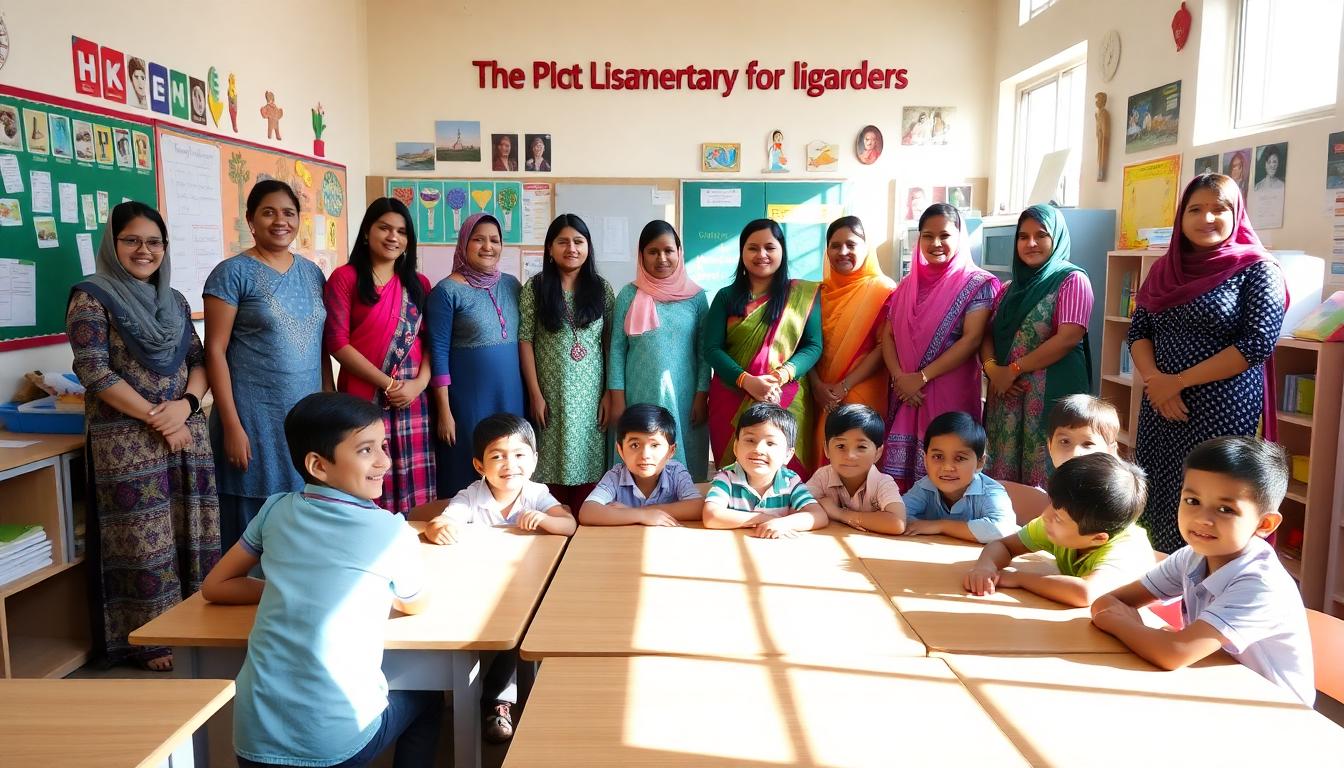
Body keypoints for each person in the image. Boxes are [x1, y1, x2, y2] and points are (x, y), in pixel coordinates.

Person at [201, 393, 440, 767]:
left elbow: (215, 585)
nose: (384, 461)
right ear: (318, 465)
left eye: (383, 445)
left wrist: (287, 589)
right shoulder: (390, 530)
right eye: (366, 450)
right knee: (429, 698)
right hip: (334, 746)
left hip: (252, 737)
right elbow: (415, 602)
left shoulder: (275, 509)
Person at [66, 201, 220, 672]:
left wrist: (186, 407)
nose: (143, 250)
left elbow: (198, 361)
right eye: (131, 240)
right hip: (127, 441)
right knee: (143, 538)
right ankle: (149, 638)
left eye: (154, 242)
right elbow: (92, 369)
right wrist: (160, 418)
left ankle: (200, 624)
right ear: (113, 246)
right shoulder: (91, 297)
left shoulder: (173, 301)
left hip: (185, 428)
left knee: (193, 529)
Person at [1126, 173, 1286, 553]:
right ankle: (1157, 592)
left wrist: (1176, 381)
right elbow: (1138, 333)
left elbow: (1257, 343)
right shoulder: (1164, 270)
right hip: (1161, 405)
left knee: (1212, 500)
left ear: (1237, 215)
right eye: (1196, 209)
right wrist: (1155, 380)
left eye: (1220, 209)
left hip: (1222, 410)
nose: (1207, 218)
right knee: (1159, 494)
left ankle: (1208, 598)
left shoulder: (1258, 271)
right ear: (1181, 217)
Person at [1091, 437, 1313, 706]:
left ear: (1265, 523)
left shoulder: (1260, 583)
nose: (1202, 519)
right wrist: (1145, 634)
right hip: (1213, 693)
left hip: (1276, 717)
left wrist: (1121, 623)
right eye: (1192, 500)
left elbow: (1174, 652)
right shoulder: (1192, 556)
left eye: (1225, 509)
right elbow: (1108, 601)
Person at [420, 413, 575, 742]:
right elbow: (440, 523)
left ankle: (498, 699)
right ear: (479, 465)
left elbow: (569, 524)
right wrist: (440, 529)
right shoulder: (471, 496)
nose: (510, 464)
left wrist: (545, 521)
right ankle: (463, 688)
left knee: (516, 630)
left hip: (525, 589)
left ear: (533, 460)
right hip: (476, 586)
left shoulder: (536, 494)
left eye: (519, 455)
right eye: (497, 456)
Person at [204, 180, 330, 550]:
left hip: (305, 418)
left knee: (303, 517)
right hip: (253, 419)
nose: (280, 221)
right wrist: (231, 425)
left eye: (288, 213)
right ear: (251, 220)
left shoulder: (312, 273)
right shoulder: (231, 273)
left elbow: (322, 346)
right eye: (268, 212)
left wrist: (329, 401)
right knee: (251, 526)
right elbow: (214, 351)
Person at [323, 197, 434, 515]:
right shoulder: (346, 278)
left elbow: (430, 343)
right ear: (366, 233)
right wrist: (388, 384)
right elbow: (337, 343)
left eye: (401, 231)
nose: (393, 237)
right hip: (364, 394)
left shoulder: (419, 284)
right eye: (384, 228)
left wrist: (419, 384)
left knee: (413, 479)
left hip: (412, 398)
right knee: (367, 474)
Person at [880, 203, 997, 492]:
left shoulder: (977, 283)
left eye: (944, 235)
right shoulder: (906, 285)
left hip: (948, 389)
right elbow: (888, 337)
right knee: (902, 479)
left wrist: (920, 378)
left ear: (960, 236)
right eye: (927, 235)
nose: (935, 243)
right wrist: (900, 379)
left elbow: (971, 340)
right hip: (906, 392)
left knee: (949, 461)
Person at [982, 204, 1094, 487]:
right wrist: (994, 370)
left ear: (1056, 238)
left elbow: (1068, 336)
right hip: (1006, 394)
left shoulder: (1072, 280)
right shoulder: (1008, 288)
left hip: (1048, 395)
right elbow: (987, 334)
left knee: (1049, 469)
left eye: (1041, 235)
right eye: (1023, 236)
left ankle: (1049, 531)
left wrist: (1015, 369)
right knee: (1002, 474)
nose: (1030, 243)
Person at [704, 218, 822, 475]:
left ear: (782, 250)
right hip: (731, 395)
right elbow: (711, 348)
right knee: (736, 471)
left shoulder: (802, 294)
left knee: (786, 472)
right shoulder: (726, 297)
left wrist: (778, 377)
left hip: (785, 395)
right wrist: (747, 381)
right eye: (753, 248)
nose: (762, 254)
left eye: (770, 247)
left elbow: (813, 346)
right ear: (742, 252)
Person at [965, 452, 1153, 607]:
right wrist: (985, 567)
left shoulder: (1126, 551)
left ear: (1098, 538)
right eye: (1052, 504)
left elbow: (1084, 593)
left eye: (1058, 517)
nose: (1046, 515)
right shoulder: (1054, 523)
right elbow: (1005, 546)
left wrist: (1019, 579)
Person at [425, 213, 525, 498]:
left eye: (494, 240)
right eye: (478, 239)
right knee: (467, 465)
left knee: (509, 463)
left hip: (510, 396)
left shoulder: (511, 285)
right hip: (467, 401)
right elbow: (438, 353)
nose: (487, 247)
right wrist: (444, 412)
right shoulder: (446, 292)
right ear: (464, 243)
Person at [520, 214, 615, 510]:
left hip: (590, 400)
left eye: (578, 241)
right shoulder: (534, 289)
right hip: (549, 396)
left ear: (588, 247)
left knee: (589, 470)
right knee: (548, 468)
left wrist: (609, 394)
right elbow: (525, 341)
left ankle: (585, 534)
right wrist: (535, 394)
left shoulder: (602, 289)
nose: (571, 248)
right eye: (562, 242)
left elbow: (611, 344)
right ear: (549, 248)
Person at [608, 220, 710, 480]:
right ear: (641, 256)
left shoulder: (696, 297)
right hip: (638, 393)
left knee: (680, 459)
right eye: (653, 252)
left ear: (679, 252)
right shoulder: (628, 295)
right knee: (639, 453)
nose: (661, 258)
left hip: (684, 396)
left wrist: (701, 395)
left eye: (668, 250)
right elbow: (617, 350)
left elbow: (703, 352)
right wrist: (617, 399)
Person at [808, 216, 895, 455]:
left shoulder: (883, 290)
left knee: (858, 454)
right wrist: (817, 386)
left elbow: (882, 346)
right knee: (824, 452)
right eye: (835, 245)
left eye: (851, 244)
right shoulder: (815, 293)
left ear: (866, 248)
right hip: (821, 393)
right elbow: (804, 344)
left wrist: (845, 386)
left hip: (863, 389)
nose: (842, 251)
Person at [702, 403, 827, 538]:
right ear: (736, 447)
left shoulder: (790, 481)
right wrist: (762, 518)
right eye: (750, 440)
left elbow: (818, 516)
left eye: (770, 443)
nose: (758, 450)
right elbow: (711, 516)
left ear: (788, 455)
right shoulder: (727, 477)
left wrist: (783, 524)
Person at [900, 411, 1017, 543]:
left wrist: (940, 526)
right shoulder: (924, 487)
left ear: (980, 462)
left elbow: (1002, 529)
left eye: (960, 458)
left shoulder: (990, 492)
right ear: (925, 460)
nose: (947, 467)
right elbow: (897, 516)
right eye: (938, 457)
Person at [579, 404, 704, 526]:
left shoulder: (676, 472)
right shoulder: (615, 476)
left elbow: (698, 507)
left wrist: (636, 511)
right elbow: (587, 512)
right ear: (620, 450)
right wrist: (642, 516)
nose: (645, 455)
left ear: (671, 451)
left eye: (654, 445)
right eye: (635, 445)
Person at [806, 404, 906, 535]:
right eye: (841, 446)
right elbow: (797, 507)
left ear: (878, 453)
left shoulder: (883, 483)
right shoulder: (822, 477)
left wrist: (840, 514)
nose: (850, 456)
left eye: (861, 447)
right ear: (826, 449)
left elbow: (897, 523)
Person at [1046, 394, 1121, 471]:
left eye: (1087, 444)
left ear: (1110, 451)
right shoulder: (1054, 482)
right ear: (1050, 446)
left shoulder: (1115, 482)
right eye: (1065, 441)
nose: (1075, 453)